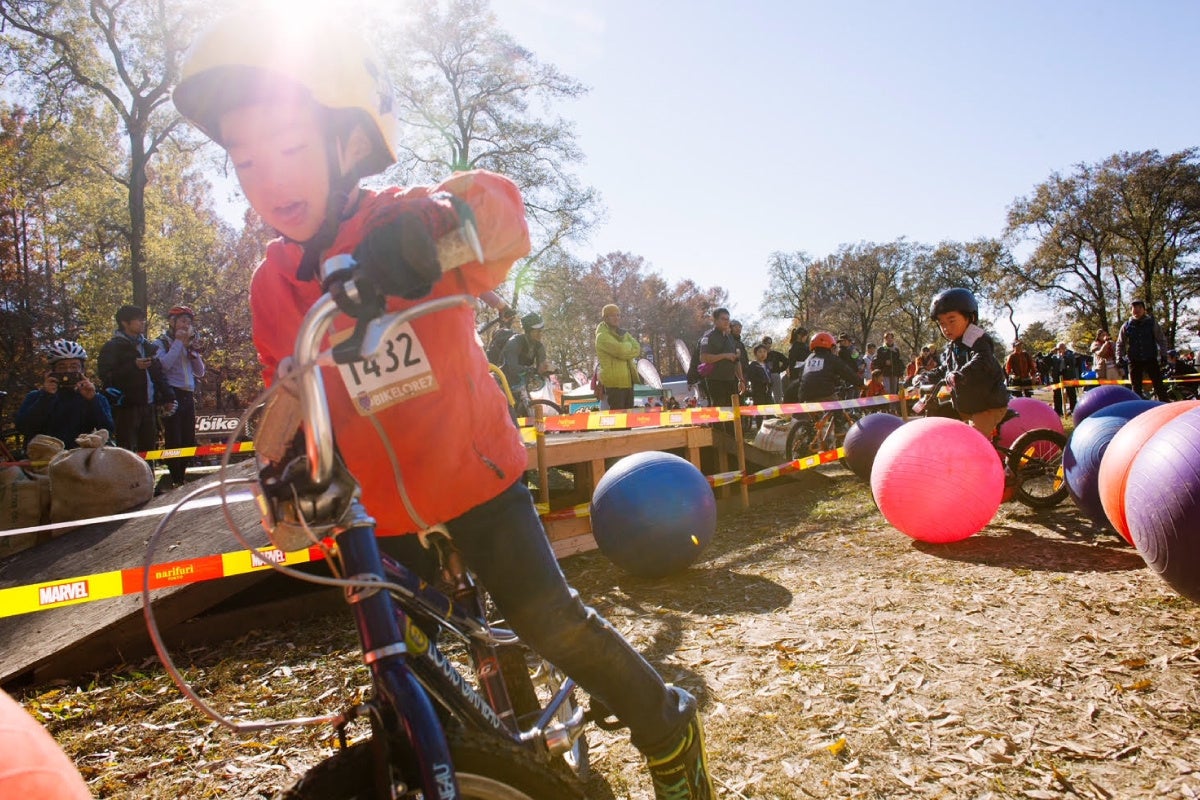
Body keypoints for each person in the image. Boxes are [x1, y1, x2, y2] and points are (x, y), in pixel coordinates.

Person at [172, 12, 714, 798]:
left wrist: (431, 230)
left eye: (289, 149)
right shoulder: (271, 286)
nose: (269, 180)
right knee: (404, 658)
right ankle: (490, 765)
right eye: (245, 160)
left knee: (546, 619)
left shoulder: (399, 219)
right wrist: (284, 466)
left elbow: (502, 217)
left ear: (348, 142)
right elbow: (282, 391)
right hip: (381, 517)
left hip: (475, 477)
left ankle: (665, 722)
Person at [913, 288, 1010, 435]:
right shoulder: (952, 346)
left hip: (988, 405)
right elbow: (945, 369)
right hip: (966, 404)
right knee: (940, 418)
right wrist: (925, 376)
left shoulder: (978, 339)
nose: (946, 327)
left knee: (974, 438)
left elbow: (982, 359)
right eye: (942, 323)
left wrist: (960, 374)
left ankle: (983, 450)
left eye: (951, 320)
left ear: (970, 318)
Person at [97, 304, 176, 451]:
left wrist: (169, 397)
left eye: (143, 319)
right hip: (126, 408)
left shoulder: (147, 346)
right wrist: (133, 366)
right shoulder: (112, 347)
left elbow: (158, 373)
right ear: (125, 323)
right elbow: (106, 376)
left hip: (149, 406)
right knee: (126, 451)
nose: (142, 322)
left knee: (149, 451)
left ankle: (149, 468)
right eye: (138, 320)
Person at [16, 339, 115, 447]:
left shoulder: (96, 398)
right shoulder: (35, 396)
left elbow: (107, 430)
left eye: (74, 367)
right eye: (62, 367)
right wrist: (46, 397)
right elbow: (24, 428)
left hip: (80, 454)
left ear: (82, 370)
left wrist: (92, 400)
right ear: (53, 371)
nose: (68, 371)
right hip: (45, 453)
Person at [155, 305, 207, 488]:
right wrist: (178, 343)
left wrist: (193, 351)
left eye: (189, 322)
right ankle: (174, 477)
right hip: (171, 393)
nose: (186, 325)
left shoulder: (189, 343)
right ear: (172, 322)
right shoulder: (161, 342)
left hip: (188, 393)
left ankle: (181, 476)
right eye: (183, 321)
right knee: (173, 438)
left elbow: (200, 372)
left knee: (188, 438)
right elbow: (163, 366)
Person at [784, 331, 863, 405]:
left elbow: (801, 377)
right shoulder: (831, 358)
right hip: (825, 396)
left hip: (805, 398)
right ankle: (838, 415)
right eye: (833, 347)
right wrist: (861, 384)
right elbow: (847, 372)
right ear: (829, 346)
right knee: (838, 407)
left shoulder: (808, 359)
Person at [1116, 299, 1169, 401]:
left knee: (1159, 385)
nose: (1136, 310)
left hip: (1150, 358)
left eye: (1139, 307)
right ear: (1131, 310)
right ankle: (1138, 408)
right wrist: (1119, 357)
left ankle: (1165, 404)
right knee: (1136, 388)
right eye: (1133, 308)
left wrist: (1164, 355)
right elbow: (1120, 343)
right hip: (1134, 360)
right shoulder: (1126, 325)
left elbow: (1161, 340)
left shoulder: (1152, 323)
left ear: (1144, 310)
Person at [501, 312, 551, 416]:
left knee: (529, 412)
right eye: (537, 331)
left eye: (541, 331)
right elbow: (511, 367)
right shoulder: (515, 342)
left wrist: (546, 370)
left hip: (523, 384)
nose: (540, 334)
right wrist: (531, 370)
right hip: (505, 382)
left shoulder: (539, 347)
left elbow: (541, 368)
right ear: (528, 331)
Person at [594, 303, 640, 411]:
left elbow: (637, 348)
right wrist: (628, 346)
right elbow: (621, 351)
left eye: (618, 315)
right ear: (605, 318)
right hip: (614, 383)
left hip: (628, 382)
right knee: (618, 419)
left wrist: (624, 348)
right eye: (613, 315)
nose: (617, 318)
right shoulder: (602, 336)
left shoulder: (623, 333)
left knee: (629, 418)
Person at [698, 307, 744, 412]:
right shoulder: (708, 337)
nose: (726, 321)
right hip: (715, 380)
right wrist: (724, 356)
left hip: (731, 380)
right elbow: (703, 358)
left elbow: (736, 361)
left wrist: (741, 379)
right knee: (720, 410)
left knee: (733, 410)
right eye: (723, 319)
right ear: (715, 320)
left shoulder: (730, 337)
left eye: (728, 319)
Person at [1047, 342, 1079, 417]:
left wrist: (1064, 355)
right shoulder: (1054, 357)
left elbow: (1073, 362)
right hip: (1057, 375)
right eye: (1059, 348)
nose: (1060, 350)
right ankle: (1058, 411)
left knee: (1071, 393)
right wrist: (1051, 353)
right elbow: (1046, 362)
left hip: (1068, 375)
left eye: (1062, 348)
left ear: (1065, 348)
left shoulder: (1070, 355)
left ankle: (1073, 409)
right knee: (1057, 394)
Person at [760, 336, 789, 402]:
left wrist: (780, 370)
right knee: (767, 396)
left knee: (778, 397)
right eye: (766, 343)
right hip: (765, 377)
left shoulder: (775, 354)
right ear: (763, 344)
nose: (768, 345)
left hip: (775, 375)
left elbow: (786, 361)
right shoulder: (761, 355)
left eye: (770, 343)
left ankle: (779, 408)